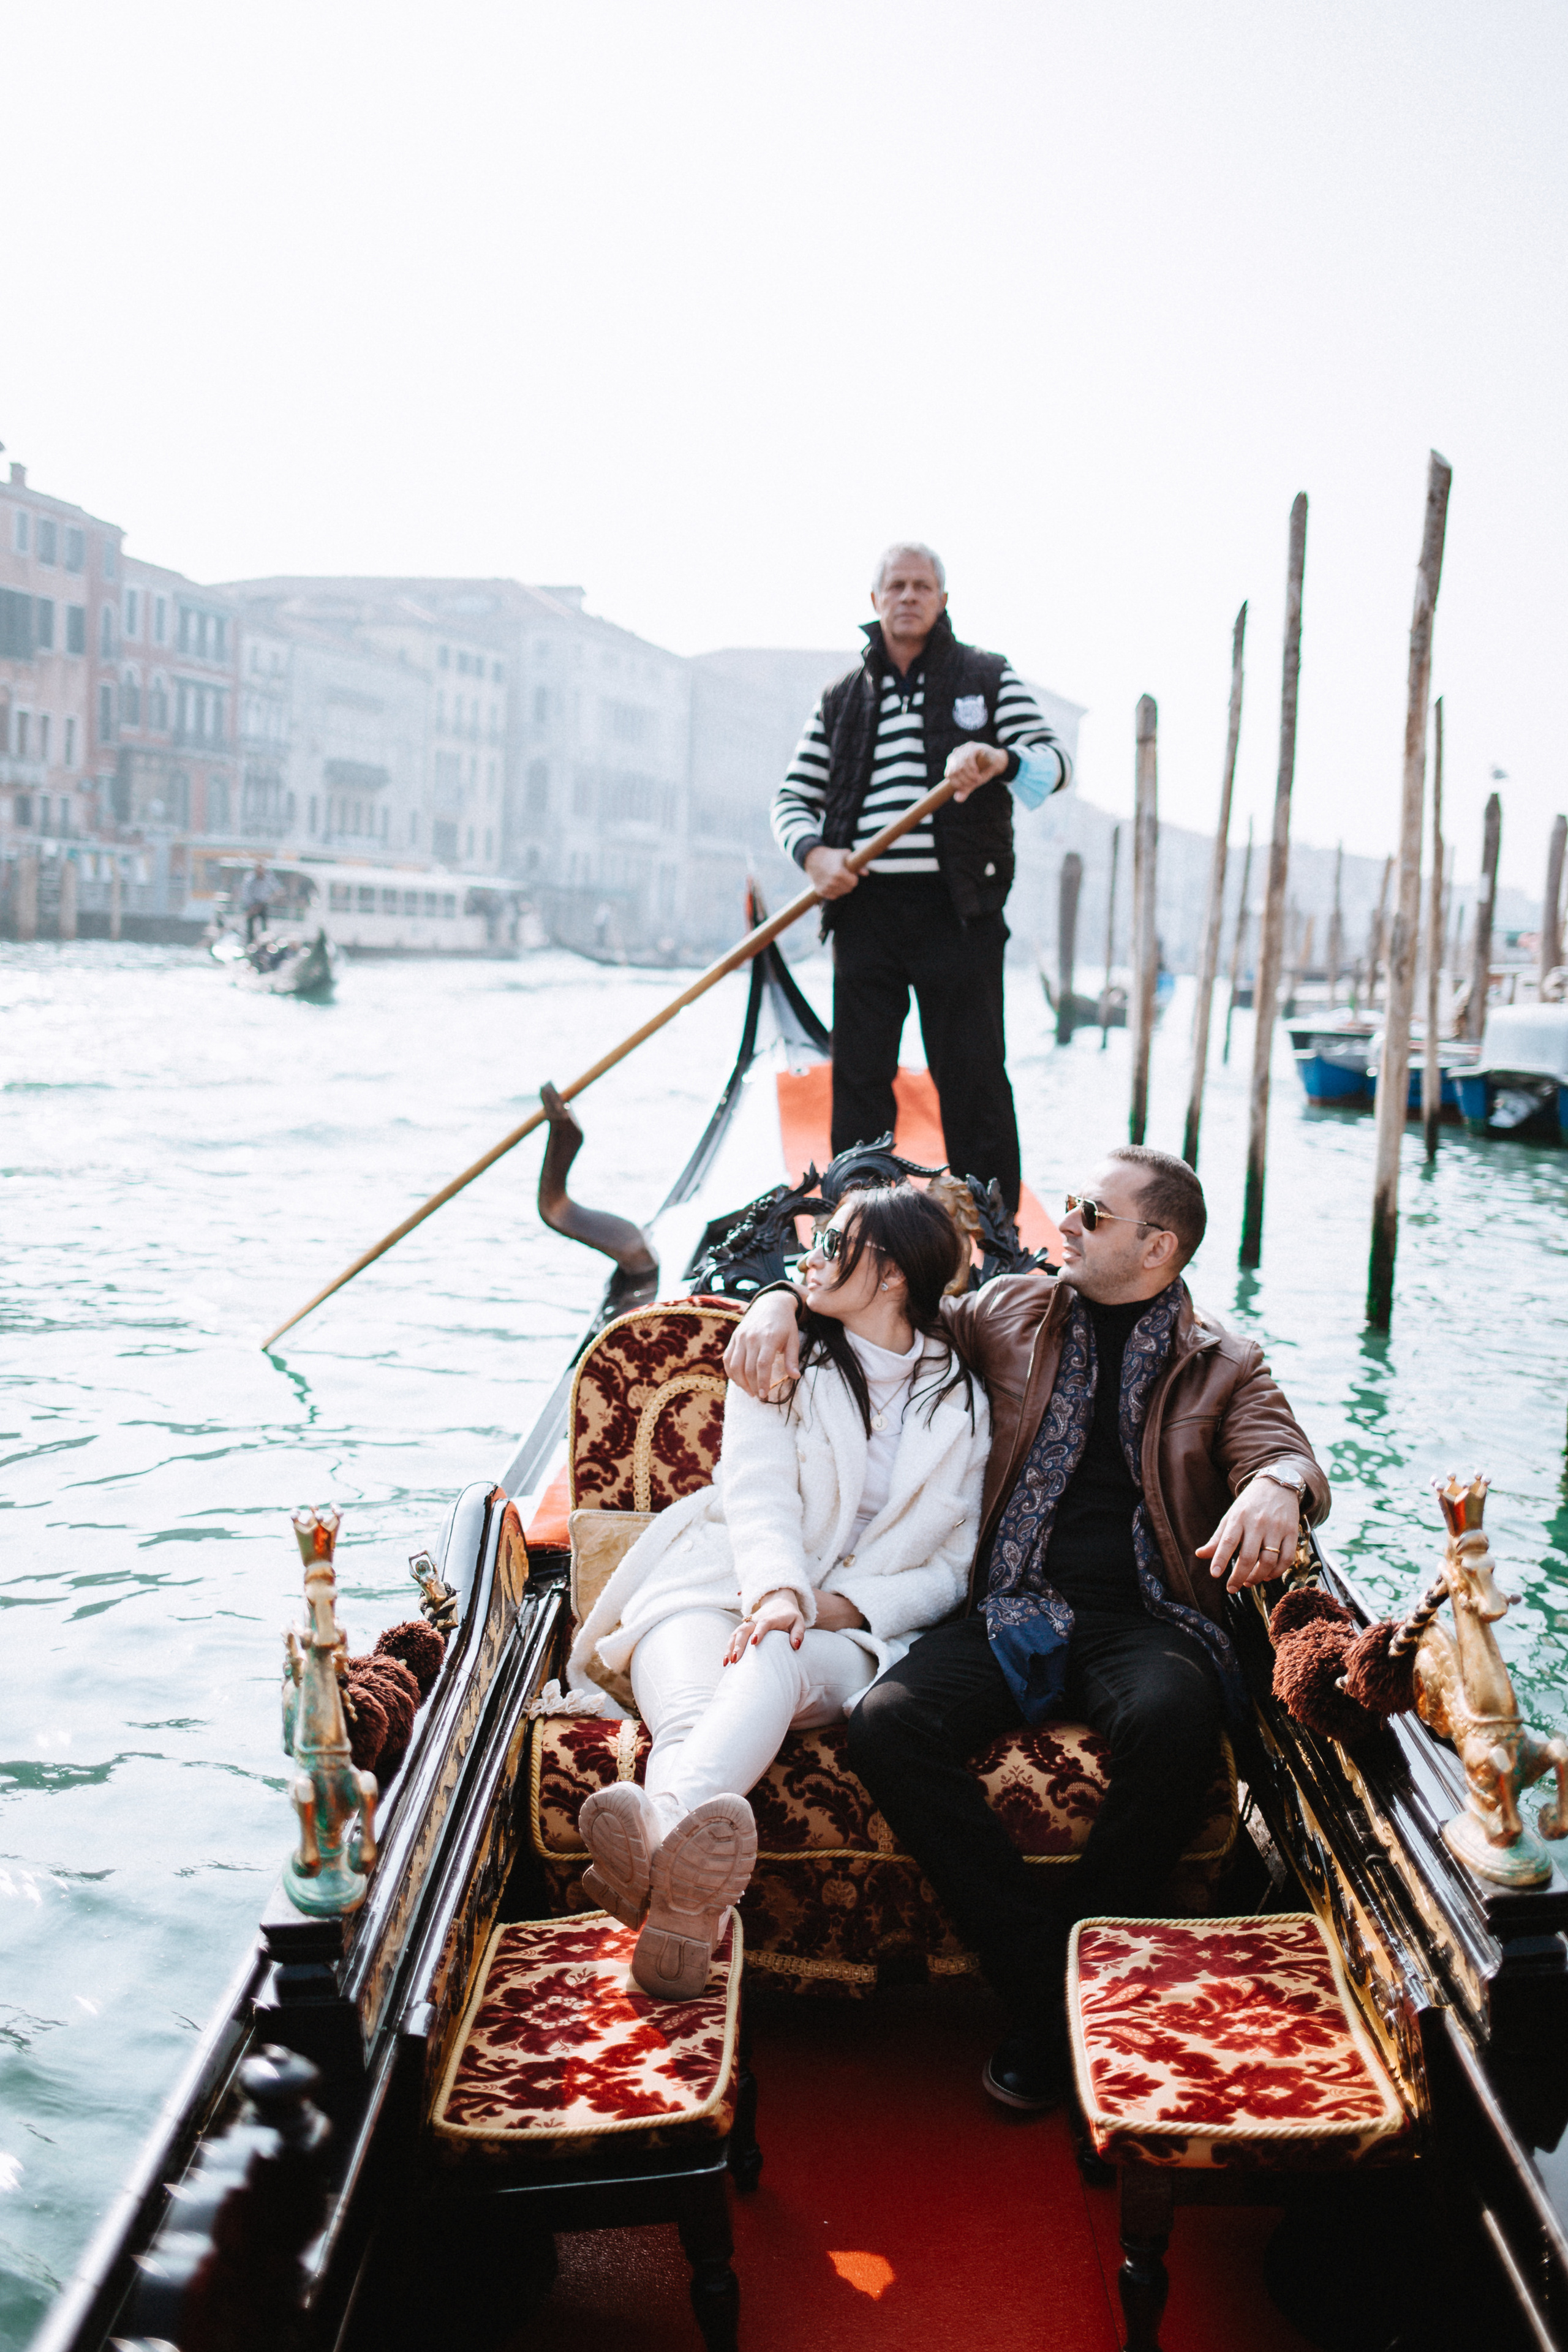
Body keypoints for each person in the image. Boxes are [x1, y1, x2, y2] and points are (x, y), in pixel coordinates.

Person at [723, 1145, 1329, 2107]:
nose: (1066, 1223)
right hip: (1008, 1603)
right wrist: (777, 1304)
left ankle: (1055, 2005)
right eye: (1075, 1204)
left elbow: (1281, 1446)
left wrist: (1278, 1485)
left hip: (1143, 1615)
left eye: (1093, 1212)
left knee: (1176, 1715)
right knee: (890, 1722)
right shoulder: (1007, 1311)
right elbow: (884, 1298)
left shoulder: (1225, 1362)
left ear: (1158, 1248)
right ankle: (1059, 1995)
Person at [570, 1182, 991, 2002]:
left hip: (850, 1630)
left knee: (772, 1657)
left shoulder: (963, 1401)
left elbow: (955, 1564)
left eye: (834, 1243)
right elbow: (756, 1490)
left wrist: (844, 1609)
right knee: (691, 1716)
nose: (810, 1256)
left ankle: (651, 1846)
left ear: (894, 1275)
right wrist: (777, 1593)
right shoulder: (780, 1356)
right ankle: (683, 1915)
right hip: (715, 1579)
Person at [771, 542, 1072, 1213]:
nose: (908, 596)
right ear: (875, 600)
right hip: (865, 909)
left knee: (972, 1076)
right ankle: (859, 1225)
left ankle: (994, 1231)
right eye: (896, 586)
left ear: (942, 600)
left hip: (959, 909)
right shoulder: (842, 698)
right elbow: (791, 799)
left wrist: (997, 758)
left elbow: (1053, 763)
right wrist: (814, 855)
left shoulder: (986, 676)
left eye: (921, 586)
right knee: (859, 1080)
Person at [241, 861, 277, 944]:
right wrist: (252, 906)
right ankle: (250, 942)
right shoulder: (249, 879)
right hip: (251, 905)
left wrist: (267, 901)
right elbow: (246, 893)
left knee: (264, 925)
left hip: (263, 904)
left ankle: (265, 942)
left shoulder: (269, 878)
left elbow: (276, 890)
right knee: (250, 926)